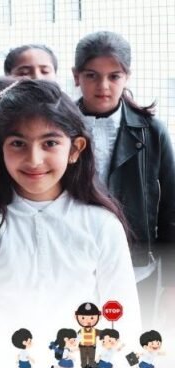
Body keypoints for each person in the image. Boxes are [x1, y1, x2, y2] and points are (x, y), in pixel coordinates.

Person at [0, 80, 139, 338]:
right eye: (18, 143)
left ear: (75, 149)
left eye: (49, 143)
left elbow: (123, 319)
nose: (34, 159)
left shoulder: (101, 224)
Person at [71, 30, 175, 312]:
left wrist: (171, 282)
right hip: (73, 262)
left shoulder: (151, 131)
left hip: (136, 266)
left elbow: (171, 208)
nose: (103, 86)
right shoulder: (58, 129)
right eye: (91, 75)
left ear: (127, 77)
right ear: (76, 76)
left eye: (114, 76)